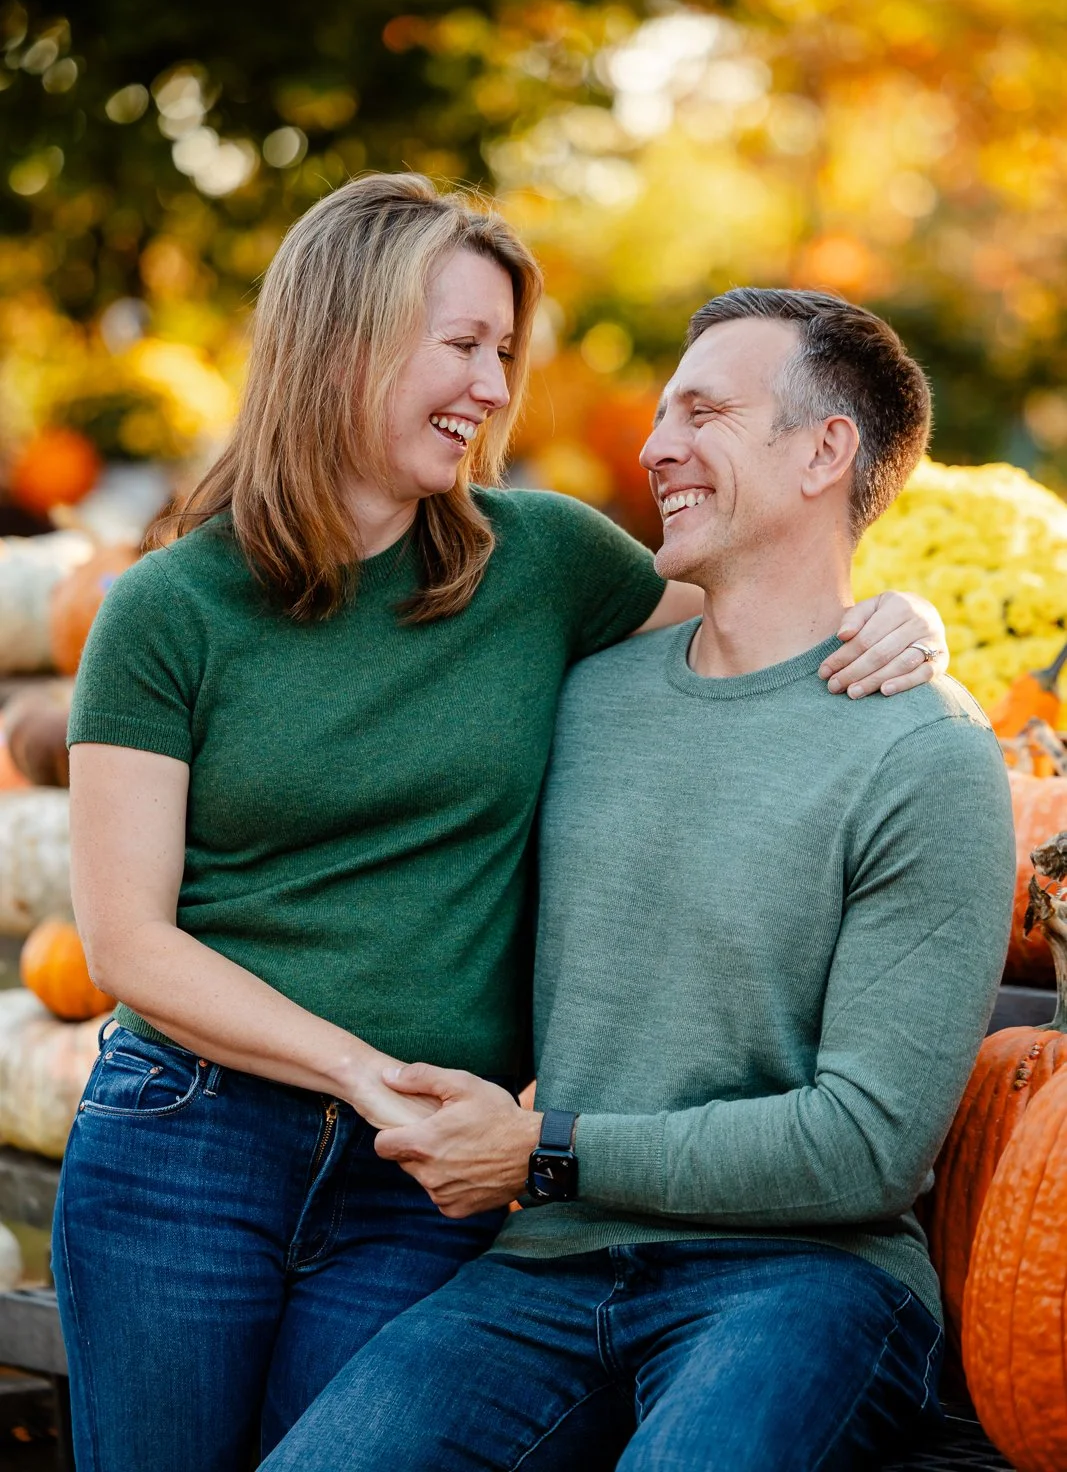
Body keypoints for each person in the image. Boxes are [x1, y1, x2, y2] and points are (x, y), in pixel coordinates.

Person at [54, 172, 946, 1472]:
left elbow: (760, 614)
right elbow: (126, 940)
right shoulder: (167, 611)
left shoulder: (541, 564)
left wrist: (904, 624)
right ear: (345, 336)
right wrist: (355, 1072)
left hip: (422, 1182)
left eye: (502, 352)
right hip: (187, 1143)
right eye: (460, 343)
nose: (490, 385)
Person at [259, 288, 1016, 1472]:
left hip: (801, 1284)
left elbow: (866, 1145)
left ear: (825, 450)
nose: (655, 445)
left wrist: (546, 1150)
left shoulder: (925, 757)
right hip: (542, 1268)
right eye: (660, 413)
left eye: (702, 411)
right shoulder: (584, 694)